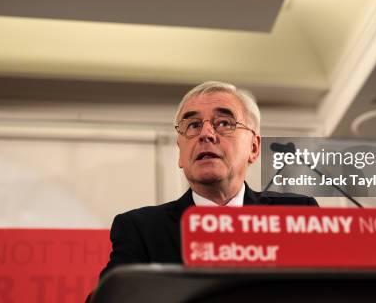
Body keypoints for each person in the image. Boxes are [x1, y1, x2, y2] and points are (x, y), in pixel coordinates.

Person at [97, 81, 318, 277]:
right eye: (193, 125)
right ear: (181, 154)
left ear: (254, 147)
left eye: (223, 123)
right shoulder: (142, 230)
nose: (206, 134)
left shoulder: (297, 215)